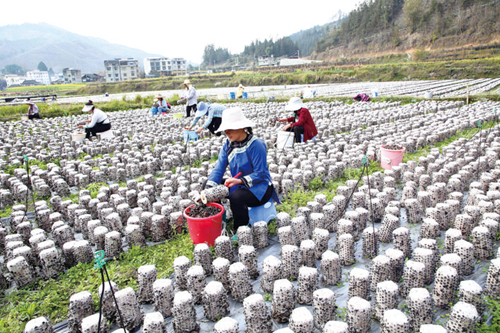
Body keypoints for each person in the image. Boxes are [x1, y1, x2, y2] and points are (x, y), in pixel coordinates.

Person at [205, 107, 279, 231]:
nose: (227, 133)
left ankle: (241, 230)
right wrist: (207, 191)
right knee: (209, 186)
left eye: (230, 129)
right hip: (239, 184)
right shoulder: (228, 145)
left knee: (236, 197)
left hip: (260, 188)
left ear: (241, 127)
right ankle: (217, 222)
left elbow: (261, 173)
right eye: (225, 130)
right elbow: (219, 168)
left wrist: (240, 181)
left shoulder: (256, 144)